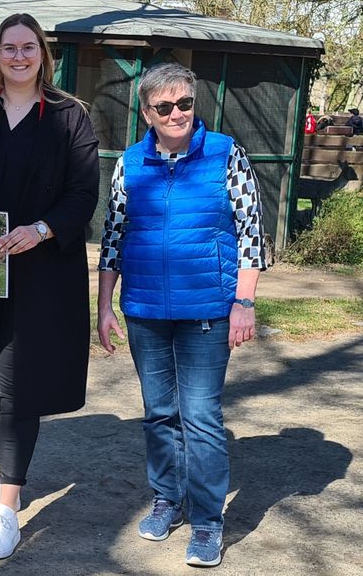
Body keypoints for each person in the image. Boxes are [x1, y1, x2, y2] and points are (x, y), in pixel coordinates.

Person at [0, 12, 99, 560]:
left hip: (40, 272)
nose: (19, 56)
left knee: (18, 378)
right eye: (9, 47)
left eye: (29, 47)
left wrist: (42, 230)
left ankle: (8, 507)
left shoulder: (69, 116)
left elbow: (83, 194)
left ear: (43, 54)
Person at [95, 61, 266, 568]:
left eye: (184, 104)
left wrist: (244, 302)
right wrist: (104, 305)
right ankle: (167, 498)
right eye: (164, 107)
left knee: (201, 416)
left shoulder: (225, 154)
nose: (176, 114)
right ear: (146, 112)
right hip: (145, 308)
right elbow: (113, 237)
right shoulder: (131, 162)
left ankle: (209, 521)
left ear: (196, 104)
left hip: (208, 311)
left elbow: (252, 234)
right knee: (158, 412)